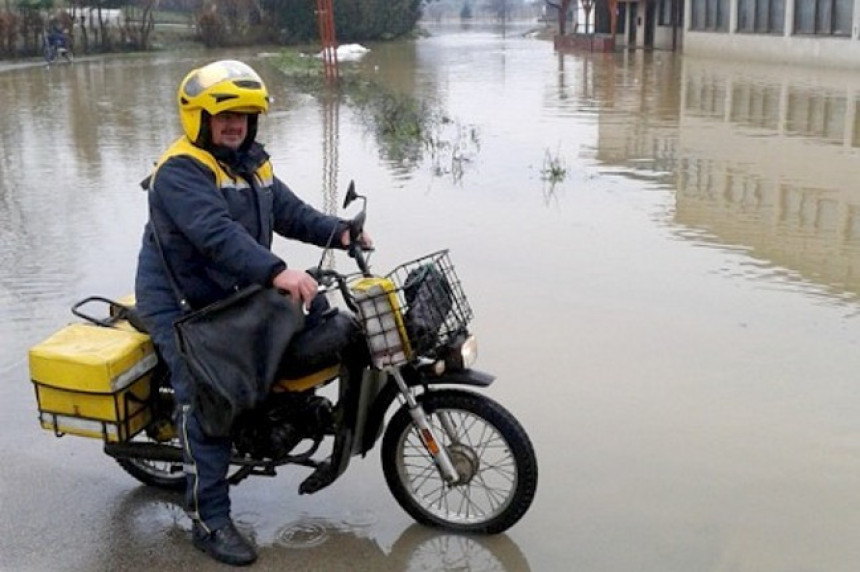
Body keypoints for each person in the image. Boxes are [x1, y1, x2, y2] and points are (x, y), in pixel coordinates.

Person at [134, 59, 371, 566]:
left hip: (234, 289)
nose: (234, 124)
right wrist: (276, 271)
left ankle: (279, 417)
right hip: (182, 303)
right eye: (223, 117)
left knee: (320, 316)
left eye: (242, 115)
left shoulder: (251, 163)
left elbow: (288, 212)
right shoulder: (180, 171)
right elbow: (216, 235)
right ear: (197, 118)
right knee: (210, 398)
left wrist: (340, 231)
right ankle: (208, 519)